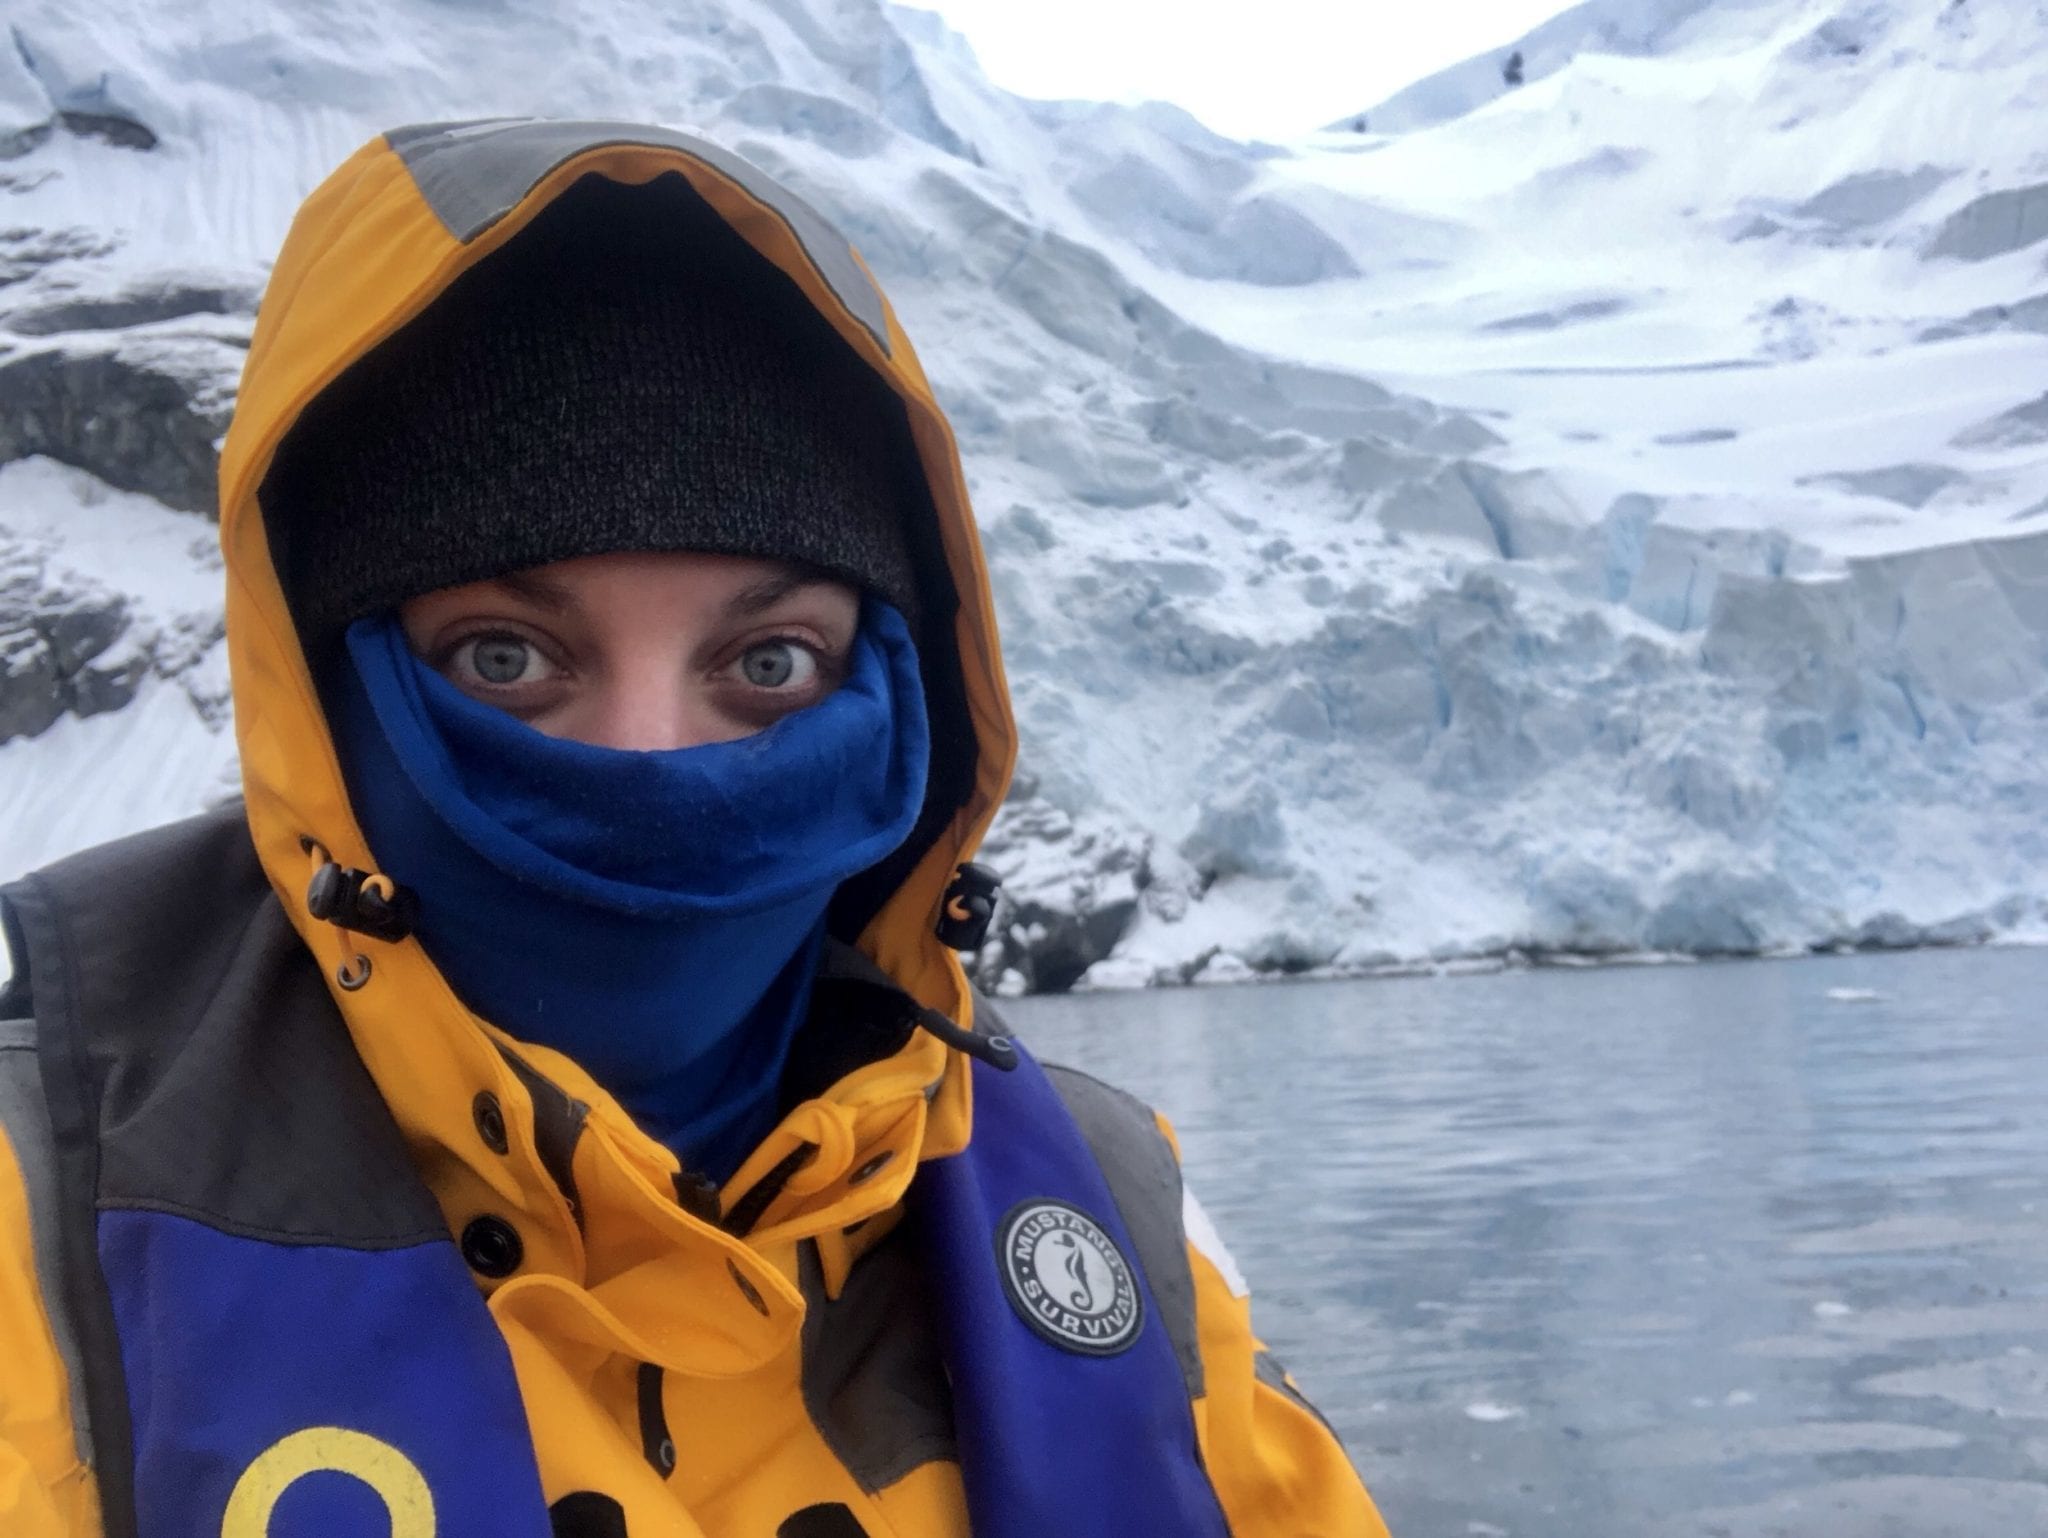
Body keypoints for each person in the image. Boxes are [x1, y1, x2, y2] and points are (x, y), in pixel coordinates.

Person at [0, 119, 1389, 1537]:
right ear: (329, 691)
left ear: (901, 687)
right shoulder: (40, 1205)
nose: (654, 770)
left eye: (769, 664)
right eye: (504, 658)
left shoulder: (1119, 1235)